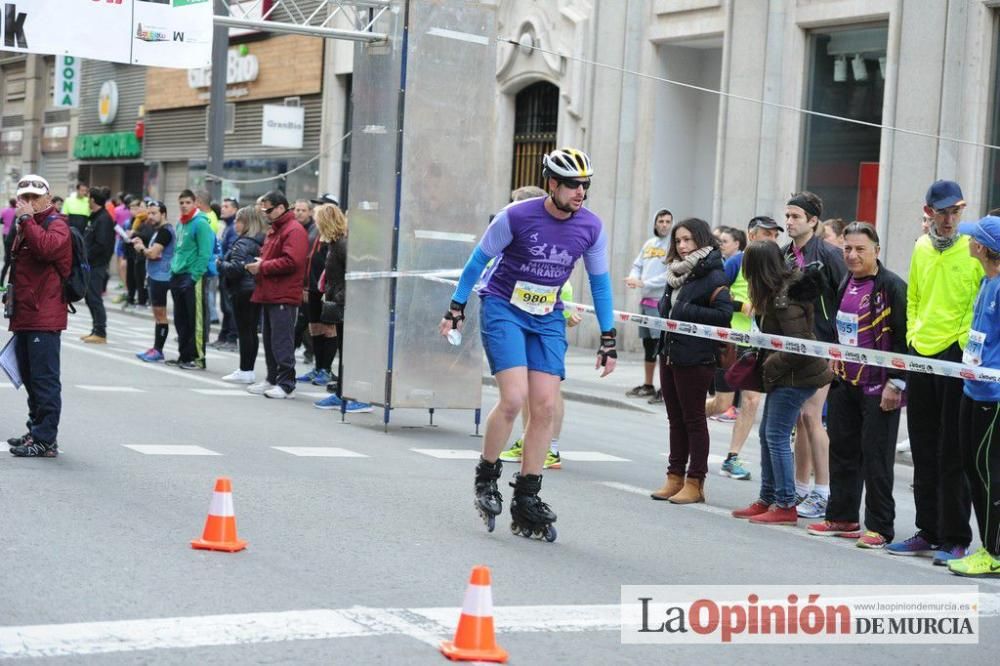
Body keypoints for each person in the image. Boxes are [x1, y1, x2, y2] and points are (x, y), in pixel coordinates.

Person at [440, 147, 616, 541]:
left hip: (547, 316)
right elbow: (476, 261)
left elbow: (601, 283)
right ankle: (487, 476)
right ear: (552, 183)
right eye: (572, 185)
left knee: (546, 407)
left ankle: (527, 496)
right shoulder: (516, 216)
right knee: (514, 398)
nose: (580, 192)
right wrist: (456, 308)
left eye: (585, 185)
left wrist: (608, 337)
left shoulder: (591, 226)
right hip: (504, 307)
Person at [889, 180, 982, 563]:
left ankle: (955, 537)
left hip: (956, 356)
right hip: (921, 352)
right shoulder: (922, 246)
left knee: (953, 451)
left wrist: (963, 344)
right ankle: (928, 530)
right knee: (923, 447)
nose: (949, 219)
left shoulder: (974, 247)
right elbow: (914, 296)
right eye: (942, 212)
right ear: (928, 212)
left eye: (955, 211)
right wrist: (913, 332)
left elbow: (982, 296)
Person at [806, 223, 908, 549]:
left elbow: (904, 339)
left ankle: (880, 527)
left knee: (876, 458)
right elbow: (841, 329)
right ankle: (843, 516)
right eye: (847, 248)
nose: (851, 255)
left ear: (876, 250)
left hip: (880, 386)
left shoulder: (892, 286)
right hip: (845, 381)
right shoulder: (845, 282)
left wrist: (897, 382)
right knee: (843, 451)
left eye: (859, 249)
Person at [732, 241, 833, 525]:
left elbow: (797, 344)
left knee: (775, 436)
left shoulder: (784, 298)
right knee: (769, 434)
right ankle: (768, 497)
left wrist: (769, 364)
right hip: (787, 374)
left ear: (757, 269)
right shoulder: (777, 291)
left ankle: (785, 503)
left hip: (796, 376)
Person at [648, 218, 733, 504]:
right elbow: (667, 309)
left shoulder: (713, 273)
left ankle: (696, 481)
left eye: (688, 240)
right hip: (670, 352)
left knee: (694, 419)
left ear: (701, 240)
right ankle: (674, 477)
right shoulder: (675, 274)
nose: (682, 246)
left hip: (696, 357)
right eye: (678, 241)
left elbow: (724, 317)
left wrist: (684, 309)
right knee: (675, 419)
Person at [498, 184, 575, 469]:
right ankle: (530, 440)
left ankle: (550, 446)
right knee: (530, 392)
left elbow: (561, 287)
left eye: (516, 204)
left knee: (549, 392)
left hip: (545, 320)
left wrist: (565, 313)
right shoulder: (523, 238)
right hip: (523, 317)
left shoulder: (548, 239)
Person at [782, 191, 847, 520]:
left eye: (796, 217)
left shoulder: (830, 254)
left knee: (812, 415)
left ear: (812, 220)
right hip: (794, 347)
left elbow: (845, 299)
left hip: (824, 347)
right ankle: (801, 487)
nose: (789, 222)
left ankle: (824, 490)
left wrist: (838, 347)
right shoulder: (786, 255)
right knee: (799, 419)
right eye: (788, 216)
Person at [711, 216, 784, 480]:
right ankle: (689, 419)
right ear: (752, 236)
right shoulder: (736, 261)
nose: (772, 240)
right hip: (732, 340)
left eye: (775, 235)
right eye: (767, 234)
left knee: (752, 399)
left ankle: (732, 458)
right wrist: (739, 305)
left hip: (757, 343)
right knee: (722, 404)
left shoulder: (779, 264)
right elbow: (716, 292)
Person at [3, 175, 72, 458]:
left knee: (44, 379)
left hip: (45, 313)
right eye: (24, 198)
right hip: (25, 312)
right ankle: (36, 431)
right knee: (30, 378)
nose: (29, 203)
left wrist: (27, 220)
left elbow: (45, 249)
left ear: (47, 197)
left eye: (35, 197)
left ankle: (46, 440)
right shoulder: (24, 224)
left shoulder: (57, 225)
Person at [948, 215, 1000, 576]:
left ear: (982, 247)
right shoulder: (986, 280)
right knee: (971, 468)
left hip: (992, 393)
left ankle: (993, 553)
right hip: (972, 383)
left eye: (972, 238)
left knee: (987, 474)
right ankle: (988, 547)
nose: (967, 240)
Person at [245, 190, 309, 399]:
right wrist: (261, 264)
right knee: (271, 340)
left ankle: (286, 383)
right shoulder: (278, 229)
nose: (265, 213)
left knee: (282, 340)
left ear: (281, 208)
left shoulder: (293, 230)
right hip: (270, 291)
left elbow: (293, 261)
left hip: (283, 293)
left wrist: (262, 266)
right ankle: (273, 378)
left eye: (269, 209)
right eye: (264, 209)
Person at [312, 203, 373, 413]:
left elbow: (356, 274)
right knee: (345, 350)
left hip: (348, 304)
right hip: (341, 301)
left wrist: (340, 297)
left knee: (353, 351)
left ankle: (361, 398)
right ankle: (342, 393)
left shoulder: (342, 245)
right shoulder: (336, 243)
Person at [625, 209, 672, 402]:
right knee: (648, 344)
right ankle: (648, 384)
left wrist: (645, 283)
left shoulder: (673, 246)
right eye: (660, 221)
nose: (664, 224)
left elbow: (668, 275)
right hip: (645, 302)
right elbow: (637, 265)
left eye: (668, 221)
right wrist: (635, 278)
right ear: (655, 223)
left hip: (660, 303)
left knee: (660, 346)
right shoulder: (649, 244)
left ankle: (665, 388)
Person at [218, 206, 266, 383]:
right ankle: (247, 369)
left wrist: (219, 264)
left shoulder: (243, 242)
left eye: (238, 220)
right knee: (250, 331)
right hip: (253, 289)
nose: (235, 224)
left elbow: (236, 269)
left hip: (242, 290)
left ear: (246, 222)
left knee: (245, 331)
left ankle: (245, 369)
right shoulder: (258, 241)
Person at [168, 189, 214, 370]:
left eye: (188, 202)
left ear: (195, 203)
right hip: (177, 275)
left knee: (195, 319)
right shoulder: (180, 223)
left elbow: (205, 253)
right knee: (180, 319)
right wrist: (173, 270)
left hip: (192, 277)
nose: (184, 206)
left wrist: (195, 276)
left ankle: (198, 358)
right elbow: (178, 250)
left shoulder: (200, 223)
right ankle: (184, 355)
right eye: (181, 203)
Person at [296, 203, 340, 387]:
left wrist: (329, 290)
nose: (315, 218)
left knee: (329, 330)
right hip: (313, 289)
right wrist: (306, 286)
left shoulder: (336, 240)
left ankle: (326, 369)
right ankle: (318, 366)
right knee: (315, 329)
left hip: (327, 291)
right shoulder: (316, 235)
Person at [132, 201, 174, 363]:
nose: (150, 216)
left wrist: (141, 248)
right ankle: (156, 348)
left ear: (163, 214)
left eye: (154, 213)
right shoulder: (161, 231)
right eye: (149, 213)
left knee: (160, 315)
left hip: (161, 277)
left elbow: (153, 253)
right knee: (158, 315)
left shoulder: (165, 232)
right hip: (158, 276)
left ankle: (158, 350)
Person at [82, 186, 115, 344]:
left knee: (95, 298)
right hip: (90, 265)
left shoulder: (104, 219)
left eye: (88, 198)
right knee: (89, 297)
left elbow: (101, 245)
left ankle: (101, 331)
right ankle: (95, 329)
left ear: (93, 200)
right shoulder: (95, 216)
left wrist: (86, 257)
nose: (87, 201)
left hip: (97, 265)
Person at [211, 197, 240, 351]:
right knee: (225, 307)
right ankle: (223, 336)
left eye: (227, 206)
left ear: (235, 210)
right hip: (224, 270)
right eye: (222, 205)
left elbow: (232, 249)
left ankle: (231, 339)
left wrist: (221, 260)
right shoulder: (228, 226)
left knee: (230, 308)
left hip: (229, 271)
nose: (222, 209)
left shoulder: (234, 227)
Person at [293, 199, 318, 366]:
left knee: (306, 319)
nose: (299, 213)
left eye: (302, 210)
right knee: (302, 318)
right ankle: (305, 349)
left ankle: (309, 351)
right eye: (297, 210)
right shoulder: (294, 228)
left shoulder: (314, 231)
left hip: (309, 282)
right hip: (298, 280)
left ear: (310, 212)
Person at [124, 198, 150, 309]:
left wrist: (134, 233)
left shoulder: (148, 221)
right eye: (139, 207)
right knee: (135, 277)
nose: (139, 209)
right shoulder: (137, 220)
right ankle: (137, 299)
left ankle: (143, 300)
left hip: (145, 253)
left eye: (141, 207)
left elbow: (147, 235)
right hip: (135, 252)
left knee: (142, 278)